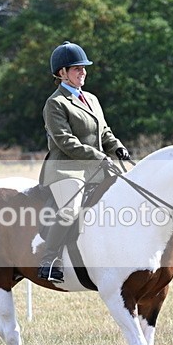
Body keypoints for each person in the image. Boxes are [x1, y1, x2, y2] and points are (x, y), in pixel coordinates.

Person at [37, 41, 131, 284]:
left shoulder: (91, 98)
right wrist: (100, 156)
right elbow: (65, 141)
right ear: (62, 73)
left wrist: (116, 147)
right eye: (77, 68)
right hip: (66, 169)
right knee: (69, 210)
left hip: (96, 168)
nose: (83, 72)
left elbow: (105, 131)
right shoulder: (55, 103)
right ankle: (49, 260)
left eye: (84, 68)